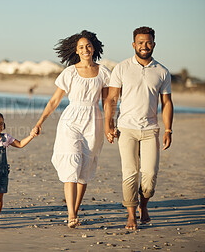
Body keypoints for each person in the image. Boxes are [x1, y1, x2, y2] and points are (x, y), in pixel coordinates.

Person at [33, 30, 110, 228]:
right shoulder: (69, 72)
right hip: (71, 120)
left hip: (94, 120)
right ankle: (71, 214)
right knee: (71, 164)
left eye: (88, 46)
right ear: (76, 51)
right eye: (81, 47)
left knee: (85, 167)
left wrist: (110, 125)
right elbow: (54, 100)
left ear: (94, 47)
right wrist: (40, 121)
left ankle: (75, 209)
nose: (85, 49)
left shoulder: (103, 72)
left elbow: (108, 102)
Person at [104, 26, 173, 230]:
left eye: (148, 42)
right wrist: (109, 125)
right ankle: (131, 215)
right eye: (140, 42)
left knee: (149, 176)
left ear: (154, 44)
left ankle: (144, 205)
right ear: (133, 44)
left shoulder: (162, 71)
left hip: (151, 129)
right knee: (130, 172)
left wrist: (168, 130)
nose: (144, 46)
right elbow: (111, 98)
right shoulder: (122, 68)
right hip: (126, 129)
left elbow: (167, 103)